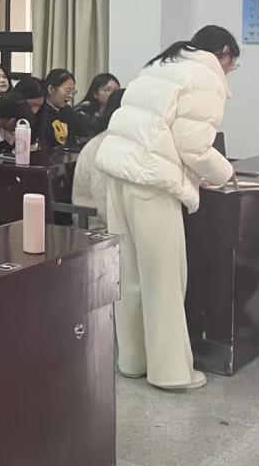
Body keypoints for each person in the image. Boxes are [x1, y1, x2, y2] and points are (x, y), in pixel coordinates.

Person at [97, 25, 240, 391]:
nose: (229, 72)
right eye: (232, 65)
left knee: (130, 275)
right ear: (224, 53)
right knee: (164, 278)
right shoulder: (204, 77)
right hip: (152, 182)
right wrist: (226, 173)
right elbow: (193, 146)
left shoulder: (159, 66)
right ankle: (171, 372)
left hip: (119, 175)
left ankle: (133, 360)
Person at [70, 88, 124, 228]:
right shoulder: (102, 146)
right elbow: (102, 203)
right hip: (98, 226)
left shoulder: (125, 142)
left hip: (119, 223)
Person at [40, 68, 80, 148]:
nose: (70, 96)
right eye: (67, 91)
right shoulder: (41, 112)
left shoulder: (68, 112)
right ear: (50, 89)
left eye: (73, 92)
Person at [74, 73, 120, 138]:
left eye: (116, 90)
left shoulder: (120, 114)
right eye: (107, 90)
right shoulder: (83, 115)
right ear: (95, 94)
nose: (113, 93)